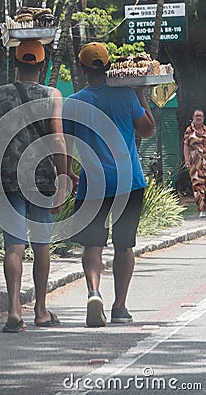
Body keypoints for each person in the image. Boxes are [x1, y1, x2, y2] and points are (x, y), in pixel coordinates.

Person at [0, 40, 67, 333]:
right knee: (41, 246)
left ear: (15, 63)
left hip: (8, 179)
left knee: (13, 246)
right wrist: (63, 178)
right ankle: (40, 311)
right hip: (41, 180)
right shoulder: (53, 95)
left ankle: (14, 310)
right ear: (42, 66)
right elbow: (58, 139)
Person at [62, 42, 155, 326]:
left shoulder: (73, 102)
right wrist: (141, 95)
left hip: (93, 184)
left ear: (82, 69)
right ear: (108, 67)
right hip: (129, 182)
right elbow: (148, 130)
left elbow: (64, 144)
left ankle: (93, 292)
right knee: (124, 246)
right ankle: (120, 307)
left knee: (93, 245)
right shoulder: (126, 95)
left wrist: (68, 174)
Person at [183, 109, 206, 218]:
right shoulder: (189, 131)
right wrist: (187, 161)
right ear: (193, 117)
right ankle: (201, 209)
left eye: (200, 116)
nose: (198, 118)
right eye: (196, 116)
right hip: (195, 164)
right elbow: (186, 146)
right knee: (198, 186)